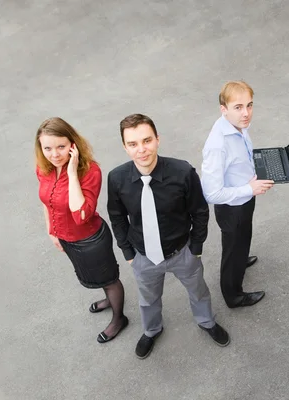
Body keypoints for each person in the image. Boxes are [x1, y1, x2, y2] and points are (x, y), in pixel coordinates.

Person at [107, 113, 230, 359]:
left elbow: (200, 211)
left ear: (157, 140)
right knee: (148, 299)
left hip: (182, 251)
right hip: (143, 256)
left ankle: (206, 321)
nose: (141, 150)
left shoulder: (182, 172)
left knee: (199, 291)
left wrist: (196, 247)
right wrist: (128, 253)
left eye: (146, 140)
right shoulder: (117, 178)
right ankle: (151, 330)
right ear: (124, 146)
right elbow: (117, 217)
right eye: (133, 144)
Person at [35, 117, 128, 344]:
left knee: (109, 279)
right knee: (96, 278)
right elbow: (45, 200)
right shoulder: (44, 168)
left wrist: (72, 173)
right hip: (67, 239)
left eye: (61, 147)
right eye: (47, 148)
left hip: (90, 240)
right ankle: (108, 300)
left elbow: (81, 215)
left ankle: (119, 318)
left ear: (73, 145)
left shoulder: (90, 171)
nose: (54, 154)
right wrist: (51, 231)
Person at [200, 81, 275, 308]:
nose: (246, 113)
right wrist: (249, 189)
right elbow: (211, 193)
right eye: (238, 107)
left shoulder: (237, 126)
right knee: (233, 248)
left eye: (250, 105)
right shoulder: (217, 145)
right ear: (224, 109)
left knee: (243, 239)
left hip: (245, 197)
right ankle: (233, 295)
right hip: (232, 205)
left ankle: (241, 261)